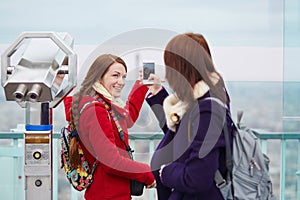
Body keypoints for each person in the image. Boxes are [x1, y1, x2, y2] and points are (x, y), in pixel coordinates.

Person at [145, 33, 233, 199]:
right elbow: (182, 135)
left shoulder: (208, 110)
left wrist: (165, 172)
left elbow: (197, 178)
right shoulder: (200, 101)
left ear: (181, 68)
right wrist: (157, 94)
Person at [63, 54, 156, 200]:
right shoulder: (96, 111)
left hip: (108, 192)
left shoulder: (102, 104)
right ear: (99, 77)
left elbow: (126, 118)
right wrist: (147, 173)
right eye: (115, 75)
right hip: (108, 194)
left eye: (124, 76)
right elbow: (111, 162)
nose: (121, 82)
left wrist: (141, 84)